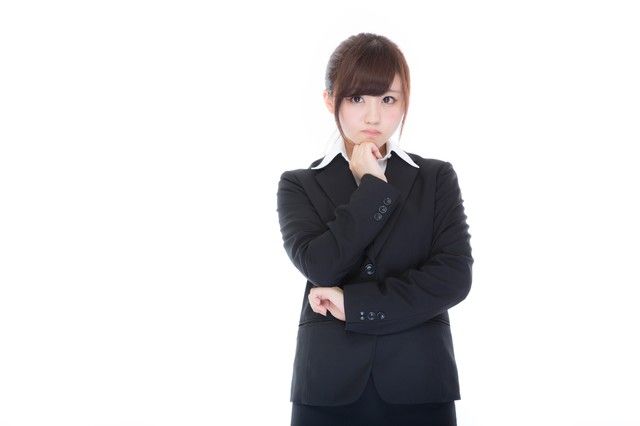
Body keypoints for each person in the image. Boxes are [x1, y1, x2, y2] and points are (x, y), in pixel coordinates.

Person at [276, 32, 473, 426]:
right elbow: (322, 266)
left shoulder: (435, 177)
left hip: (420, 383)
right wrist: (373, 188)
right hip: (328, 389)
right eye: (356, 98)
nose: (373, 117)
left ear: (404, 103)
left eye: (387, 99)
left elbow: (453, 278)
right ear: (330, 100)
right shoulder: (299, 184)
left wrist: (355, 305)